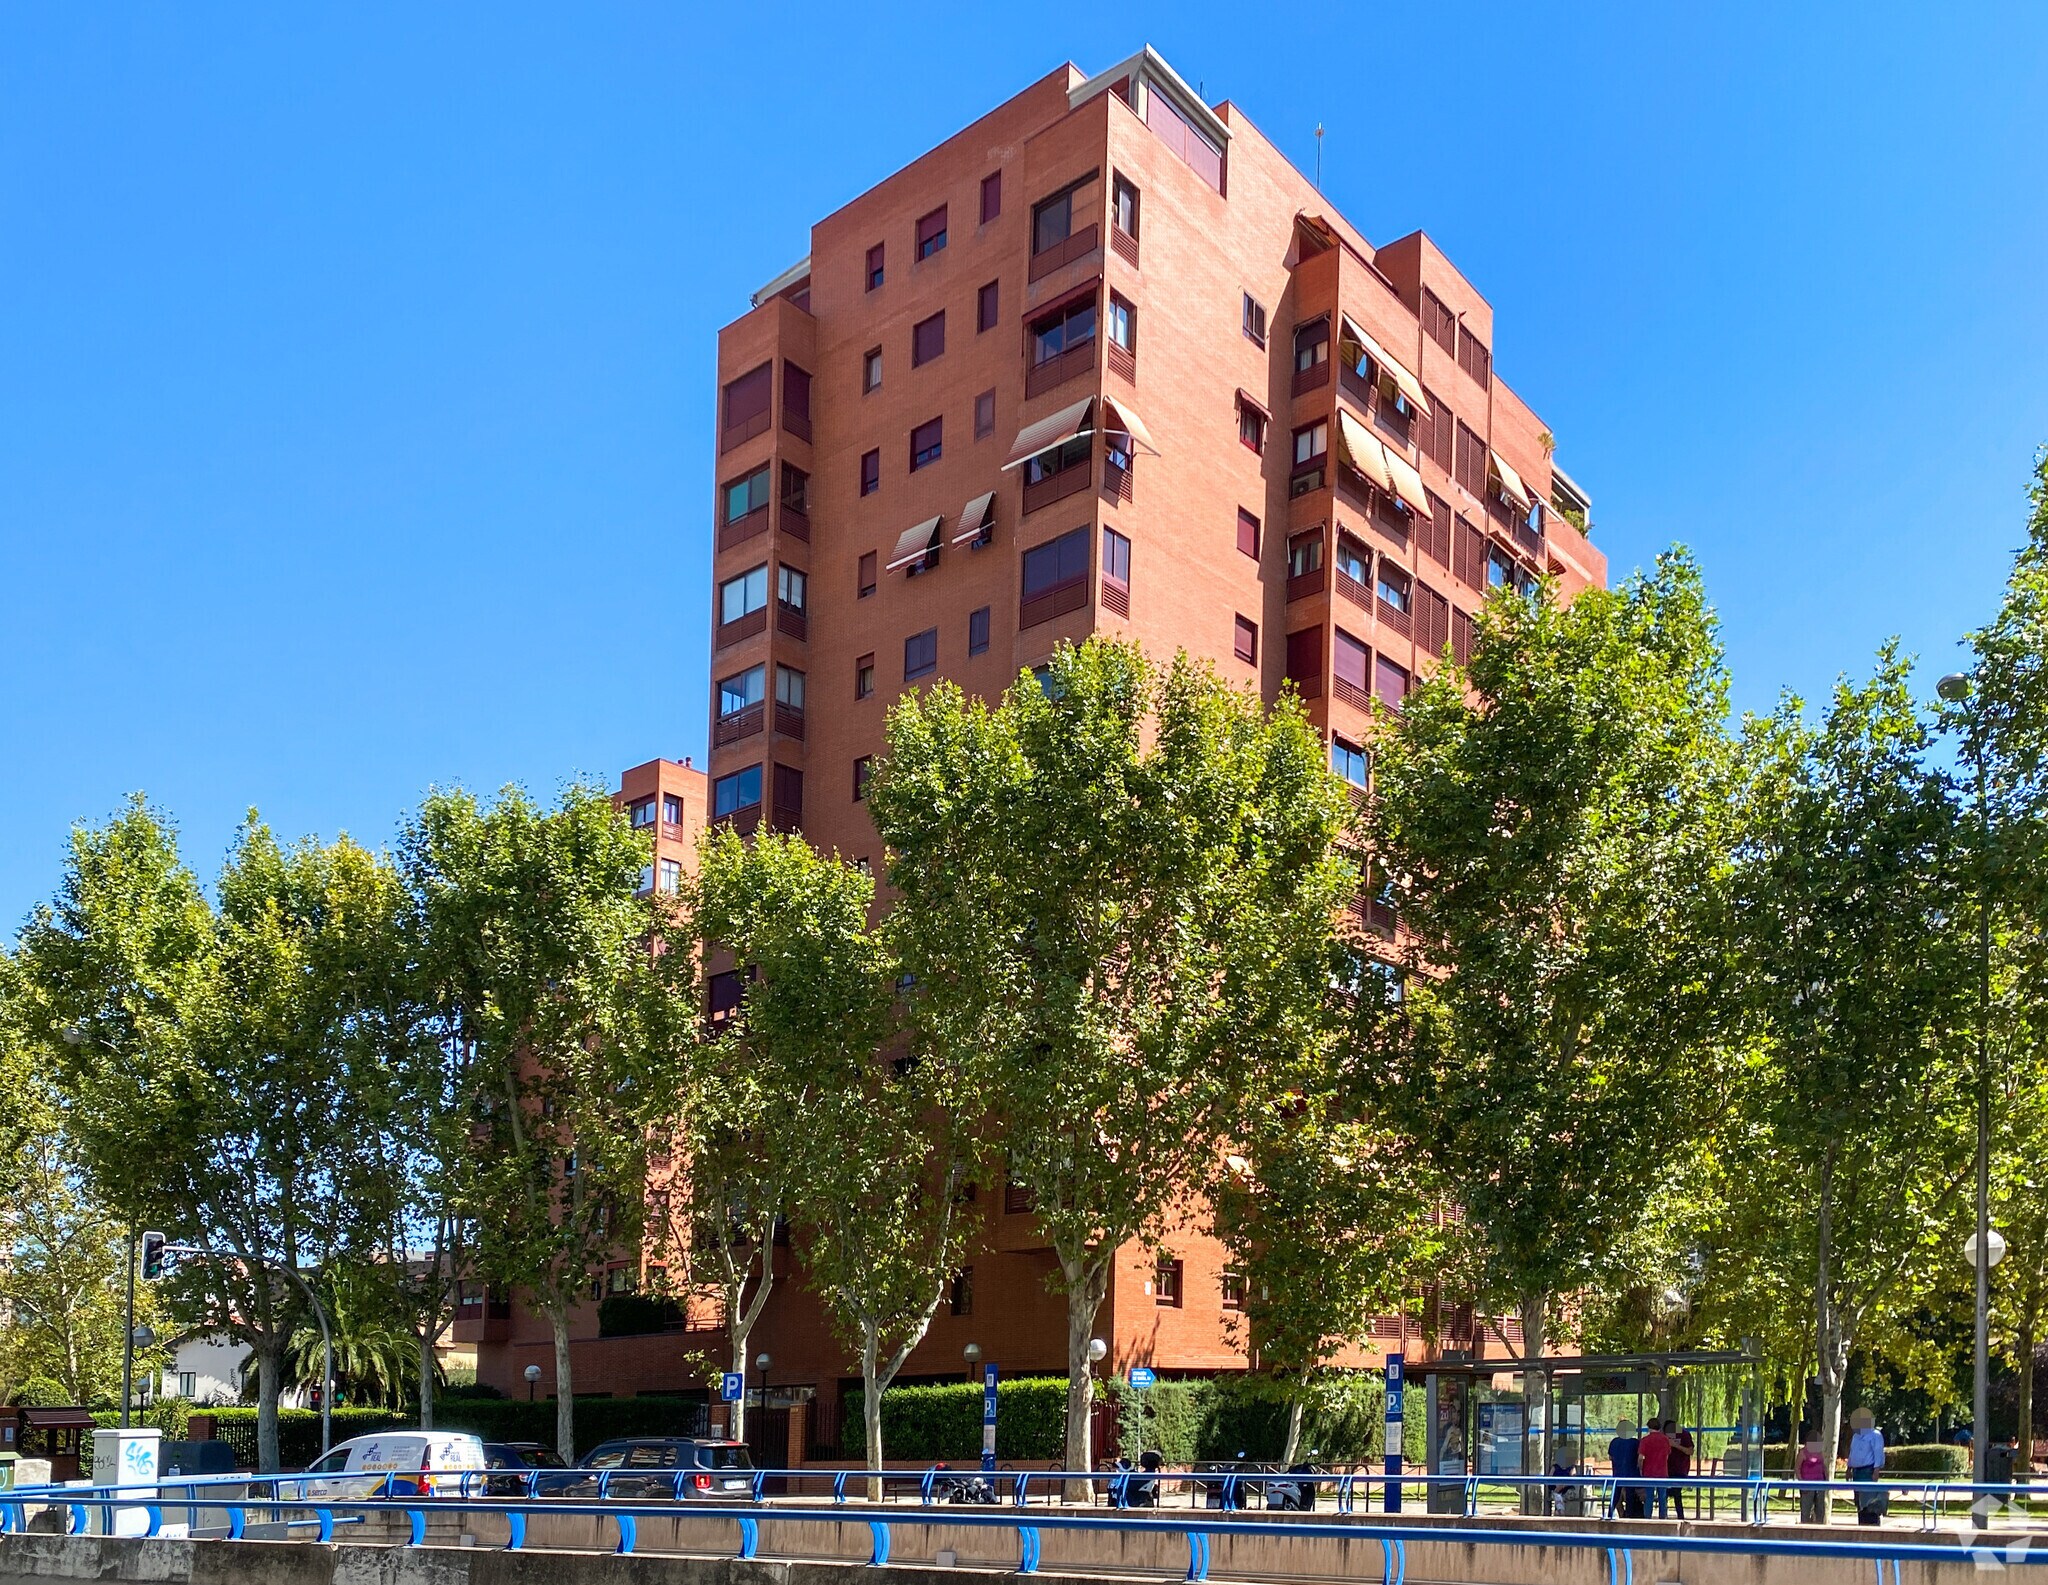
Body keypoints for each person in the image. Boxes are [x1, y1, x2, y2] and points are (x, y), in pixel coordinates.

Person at [1847, 1408, 1886, 1526]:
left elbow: (1878, 1453)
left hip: (1868, 1471)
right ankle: (1862, 1524)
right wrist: (1848, 1468)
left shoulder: (1875, 1435)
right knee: (1859, 1502)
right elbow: (1852, 1452)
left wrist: (1876, 1470)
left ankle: (1873, 1526)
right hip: (1856, 1472)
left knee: (1870, 1502)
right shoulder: (1856, 1436)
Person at [1608, 1419, 1643, 1518]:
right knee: (1630, 1495)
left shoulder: (1614, 1442)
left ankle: (1609, 1513)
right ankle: (1629, 1515)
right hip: (1631, 1473)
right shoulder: (1635, 1442)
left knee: (1616, 1495)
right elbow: (1639, 1457)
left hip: (1617, 1473)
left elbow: (1611, 1457)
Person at [1638, 1418, 1672, 1518]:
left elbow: (1640, 1457)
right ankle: (1663, 1517)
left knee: (1649, 1497)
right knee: (1662, 1497)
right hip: (1662, 1472)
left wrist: (1641, 1468)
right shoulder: (1665, 1439)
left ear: (1649, 1427)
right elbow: (1667, 1455)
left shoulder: (1645, 1440)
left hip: (1648, 1472)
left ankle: (1647, 1517)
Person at [1795, 1432, 1828, 1524]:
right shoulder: (1803, 1452)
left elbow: (1824, 1467)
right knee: (1806, 1509)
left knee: (1820, 1510)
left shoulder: (1820, 1452)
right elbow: (1797, 1468)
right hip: (1807, 1485)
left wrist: (1827, 1481)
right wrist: (1801, 1483)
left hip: (1820, 1484)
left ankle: (1819, 1529)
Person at [1668, 1423, 1693, 1519]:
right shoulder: (1665, 1434)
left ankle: (1680, 1516)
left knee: (1676, 1493)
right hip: (1667, 1469)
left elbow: (1690, 1451)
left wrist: (1675, 1445)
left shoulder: (1684, 1435)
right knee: (1665, 1493)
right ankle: (1665, 1516)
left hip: (1680, 1470)